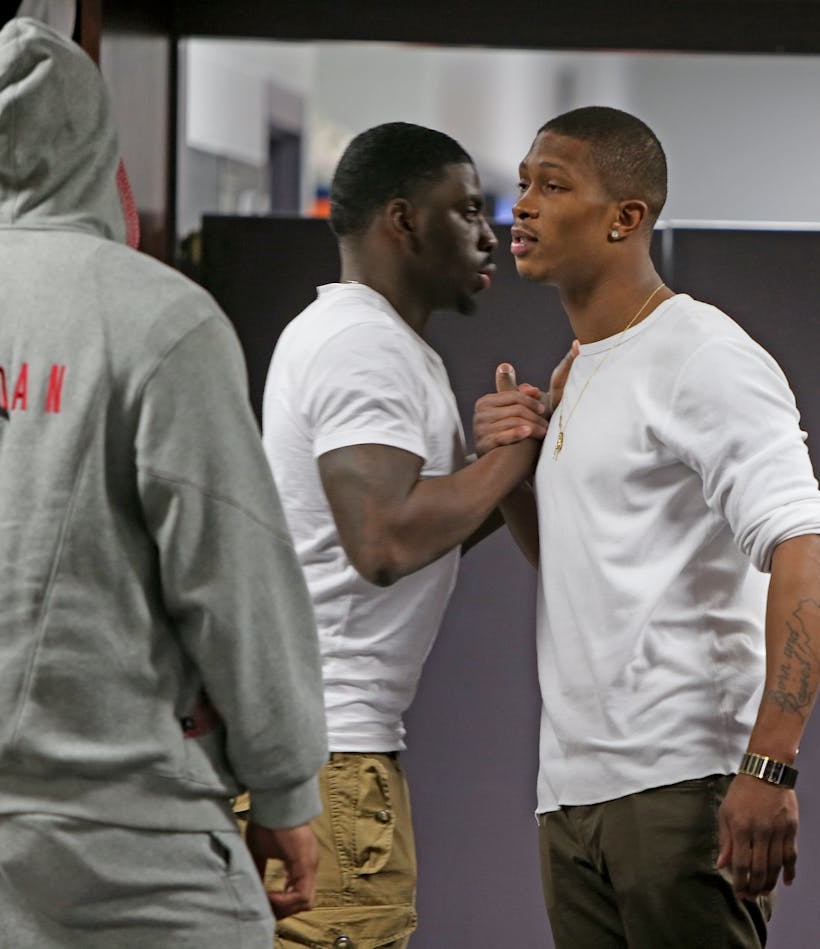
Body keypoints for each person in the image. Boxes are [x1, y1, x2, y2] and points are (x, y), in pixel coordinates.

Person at [0, 17, 328, 948]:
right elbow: (231, 568)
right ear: (97, 149)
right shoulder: (159, 320)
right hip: (121, 822)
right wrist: (284, 784)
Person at [472, 105, 820, 948]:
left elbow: (808, 558)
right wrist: (512, 472)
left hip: (682, 783)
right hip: (571, 794)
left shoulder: (701, 353)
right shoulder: (579, 371)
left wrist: (768, 764)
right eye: (522, 183)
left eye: (552, 185)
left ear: (625, 218)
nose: (522, 205)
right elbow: (576, 560)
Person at [258, 122, 537, 948]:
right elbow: (382, 542)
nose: (492, 233)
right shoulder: (363, 346)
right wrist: (512, 455)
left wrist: (501, 466)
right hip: (333, 763)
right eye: (468, 210)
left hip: (329, 755)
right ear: (404, 219)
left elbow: (421, 529)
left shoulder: (375, 342)